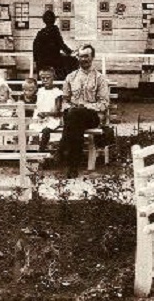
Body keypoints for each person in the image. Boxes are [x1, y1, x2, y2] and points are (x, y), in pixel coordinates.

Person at [58, 44, 110, 178]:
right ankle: (72, 166)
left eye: (86, 56)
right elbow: (65, 100)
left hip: (91, 116)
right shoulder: (71, 77)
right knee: (75, 117)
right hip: (74, 116)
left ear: (93, 57)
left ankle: (62, 151)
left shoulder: (100, 78)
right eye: (81, 56)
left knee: (75, 116)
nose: (83, 59)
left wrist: (86, 106)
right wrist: (69, 107)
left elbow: (104, 104)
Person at [33, 10, 75, 78]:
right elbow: (61, 45)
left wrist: (36, 61)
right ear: (54, 20)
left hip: (41, 62)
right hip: (54, 61)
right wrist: (71, 52)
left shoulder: (40, 33)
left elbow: (35, 48)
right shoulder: (55, 31)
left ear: (44, 20)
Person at [31, 67, 64, 153]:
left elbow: (57, 112)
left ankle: (41, 151)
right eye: (43, 78)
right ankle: (32, 152)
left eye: (48, 78)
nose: (45, 80)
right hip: (39, 118)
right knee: (32, 130)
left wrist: (46, 114)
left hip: (51, 118)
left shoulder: (57, 92)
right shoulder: (39, 91)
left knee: (46, 130)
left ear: (53, 77)